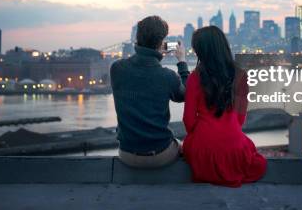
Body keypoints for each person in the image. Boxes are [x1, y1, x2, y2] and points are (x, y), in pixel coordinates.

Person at [183, 25, 267, 187]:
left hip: (203, 145)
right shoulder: (241, 76)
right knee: (257, 162)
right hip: (233, 144)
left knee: (188, 148)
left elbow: (188, 121)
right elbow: (241, 119)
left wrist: (199, 138)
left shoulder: (195, 77)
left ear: (201, 51)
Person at [110, 15, 189, 168]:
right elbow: (186, 94)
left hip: (126, 154)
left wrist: (154, 53)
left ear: (137, 38)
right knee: (182, 146)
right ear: (161, 43)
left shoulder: (117, 68)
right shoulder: (167, 76)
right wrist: (182, 62)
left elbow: (141, 77)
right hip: (160, 155)